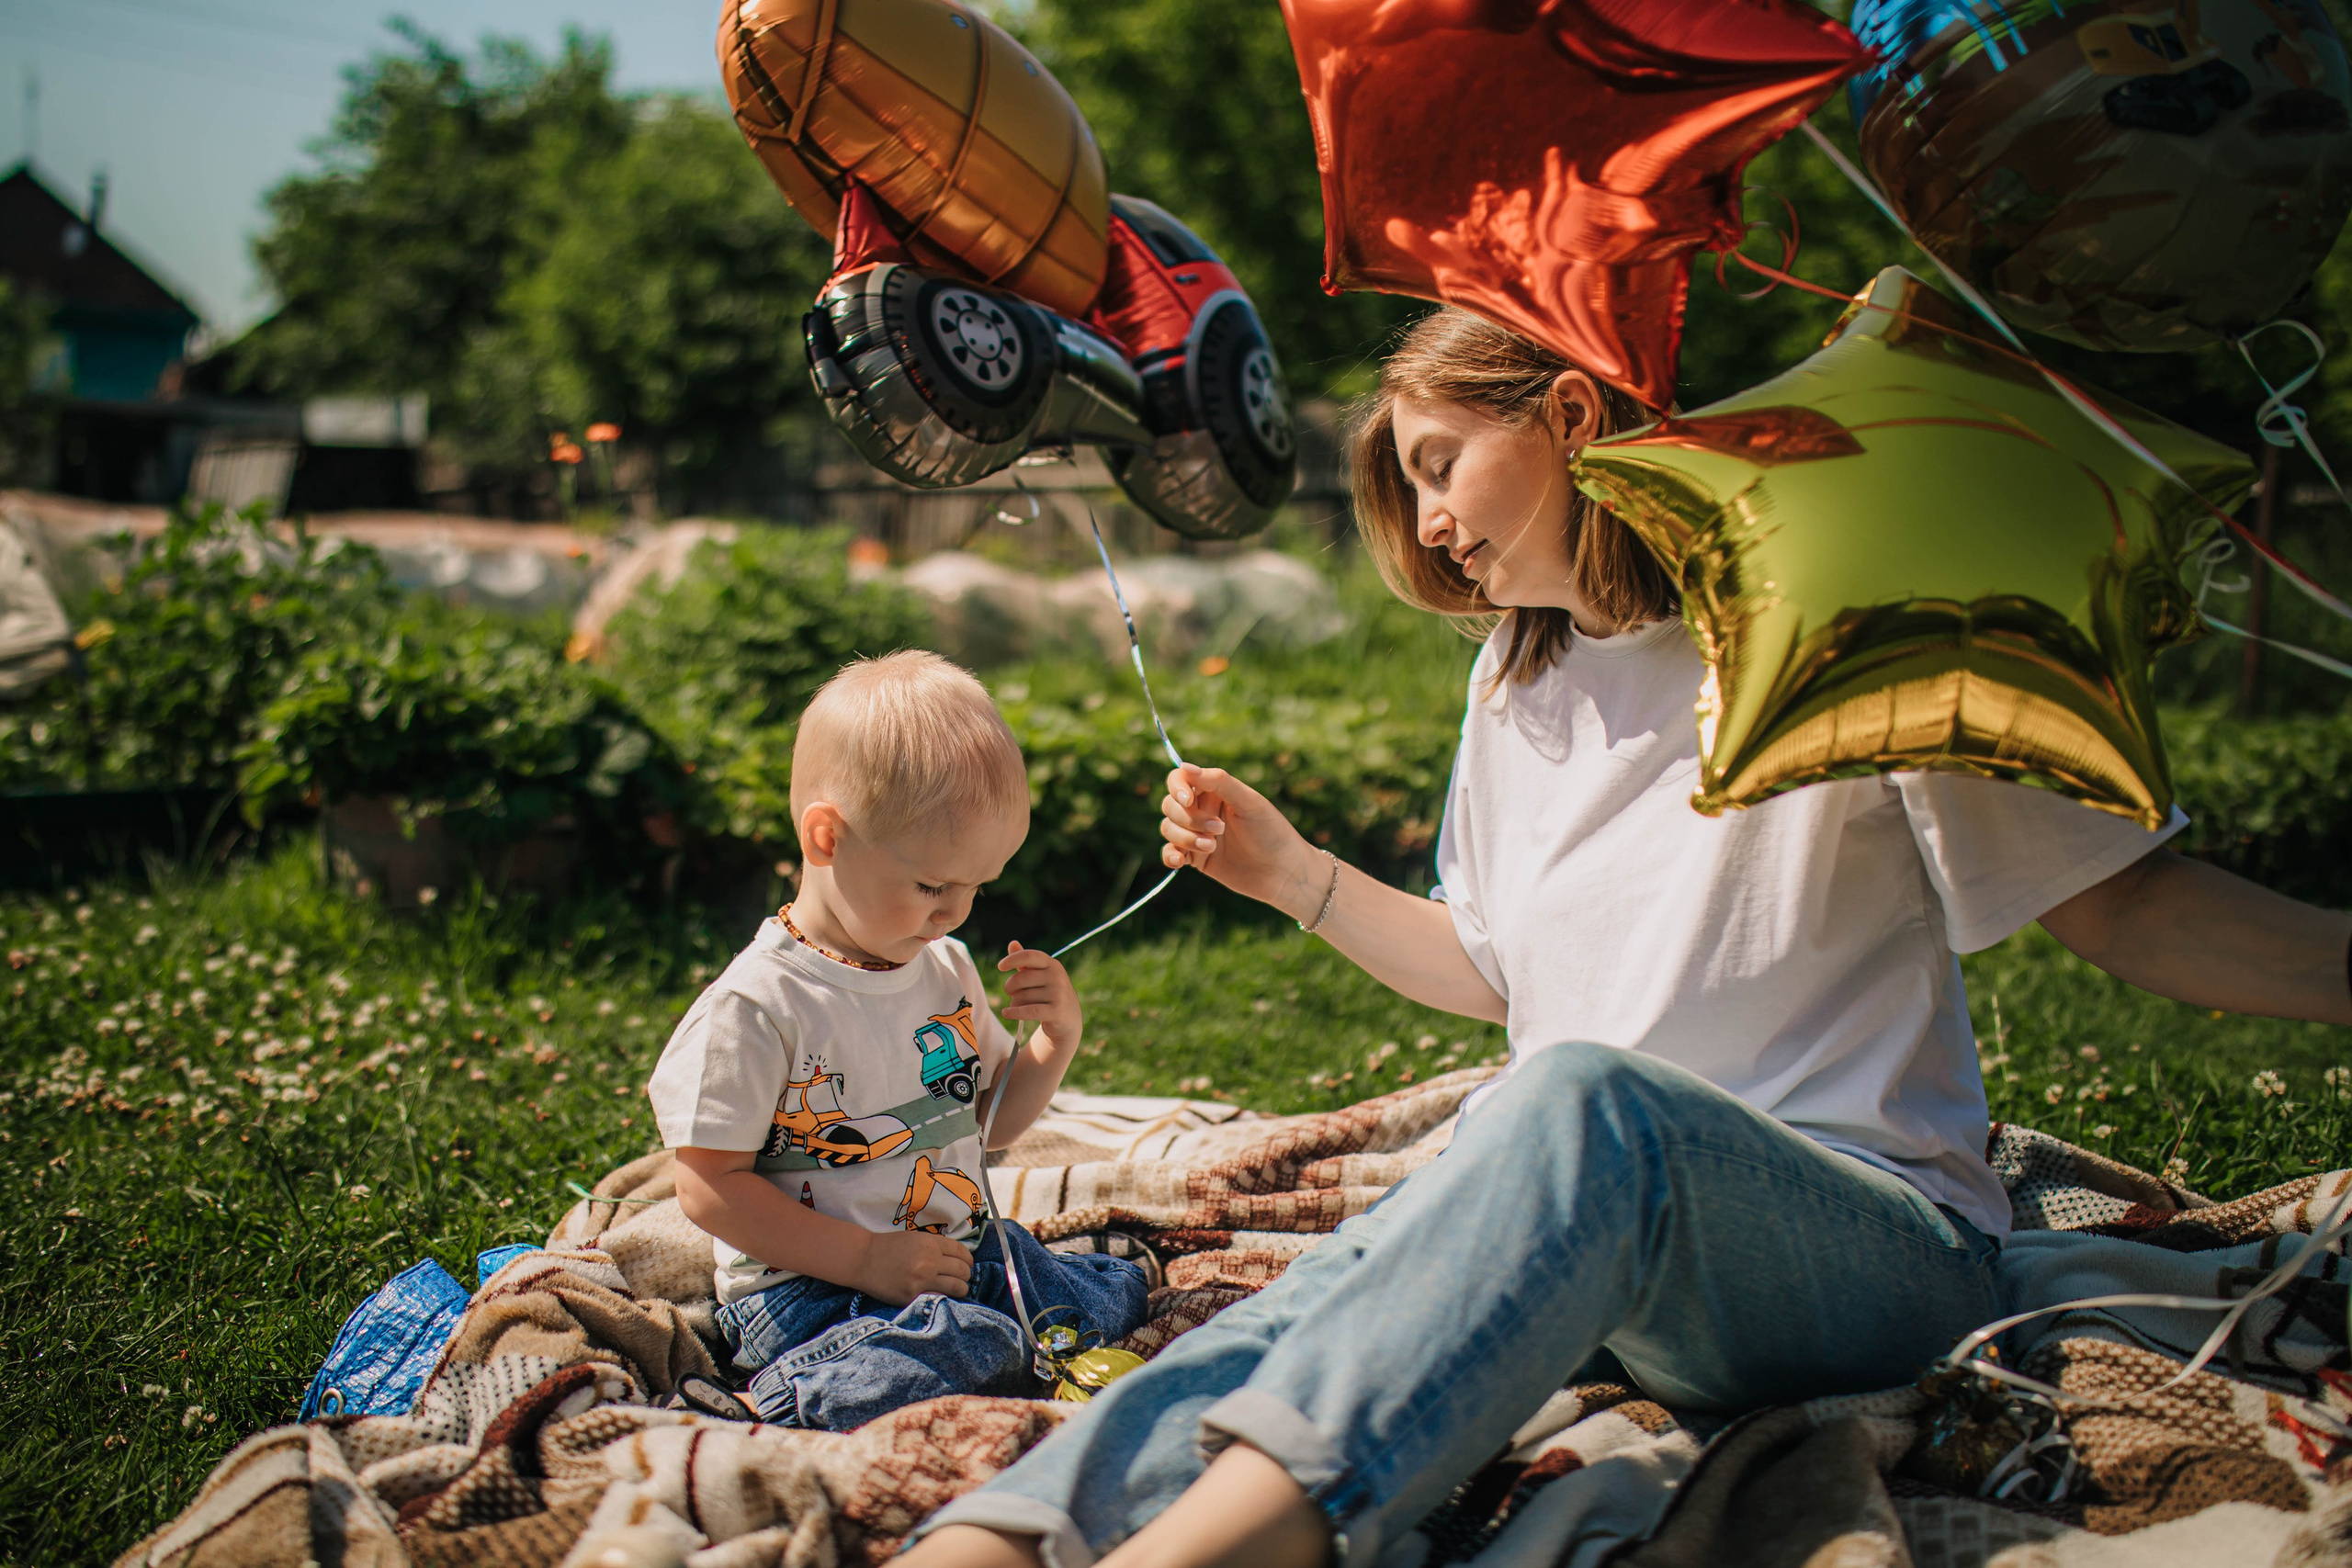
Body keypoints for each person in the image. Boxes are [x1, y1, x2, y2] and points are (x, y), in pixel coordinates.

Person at [904, 310, 2352, 1568]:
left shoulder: (1829, 618)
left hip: (1870, 1245)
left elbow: (2131, 900)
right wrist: (1296, 874)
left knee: (1576, 1104)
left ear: (1574, 418)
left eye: (1438, 465)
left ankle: (1249, 1536)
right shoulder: (1511, 679)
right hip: (1596, 1219)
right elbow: (1498, 976)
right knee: (1371, 1253)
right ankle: (1013, 1527)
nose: (1425, 528)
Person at [647, 651, 1148, 1431]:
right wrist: (864, 1260)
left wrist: (1055, 1039)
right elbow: (706, 1186)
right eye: (932, 885)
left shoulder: (941, 964)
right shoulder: (760, 1005)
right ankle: (764, 1403)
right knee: (968, 1344)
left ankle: (1014, 1332)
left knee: (1088, 1286)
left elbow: (987, 1125)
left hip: (944, 1255)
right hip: (811, 1290)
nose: (956, 912)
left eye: (978, 886)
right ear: (826, 837)